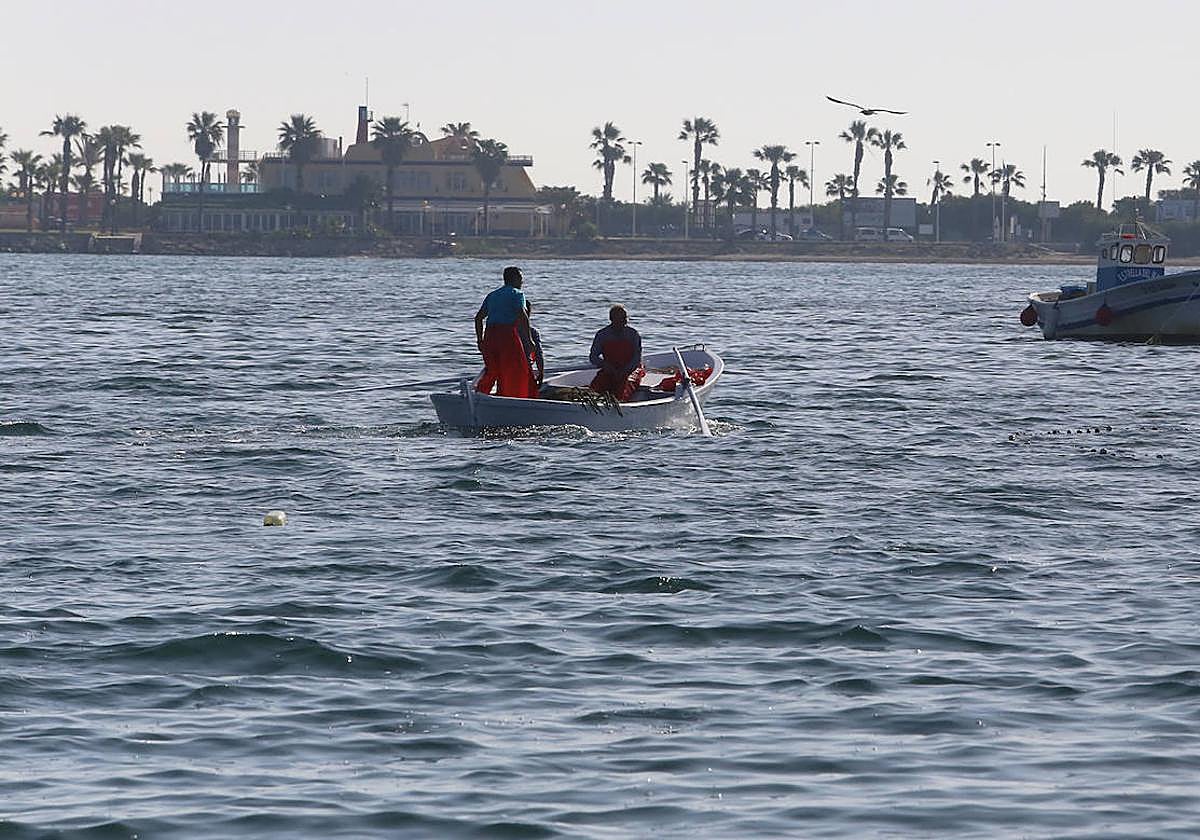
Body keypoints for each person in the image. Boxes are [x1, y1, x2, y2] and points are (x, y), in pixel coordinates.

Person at [474, 266, 536, 398]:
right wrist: (529, 340)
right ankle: (513, 397)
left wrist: (480, 340)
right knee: (515, 368)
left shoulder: (492, 295)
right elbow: (522, 316)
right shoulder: (517, 294)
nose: (522, 282)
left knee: (493, 369)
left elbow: (478, 318)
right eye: (520, 278)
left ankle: (480, 394)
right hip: (507, 334)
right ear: (514, 279)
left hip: (490, 335)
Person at [588, 304, 643, 401]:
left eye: (625, 317)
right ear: (611, 319)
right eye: (620, 318)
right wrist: (606, 366)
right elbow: (593, 357)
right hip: (610, 369)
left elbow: (636, 359)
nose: (624, 320)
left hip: (630, 370)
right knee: (596, 386)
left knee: (623, 388)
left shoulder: (633, 334)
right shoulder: (602, 334)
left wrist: (624, 371)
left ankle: (620, 405)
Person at [523, 300, 545, 392]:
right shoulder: (533, 332)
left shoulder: (506, 331)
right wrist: (541, 373)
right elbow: (539, 354)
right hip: (525, 371)